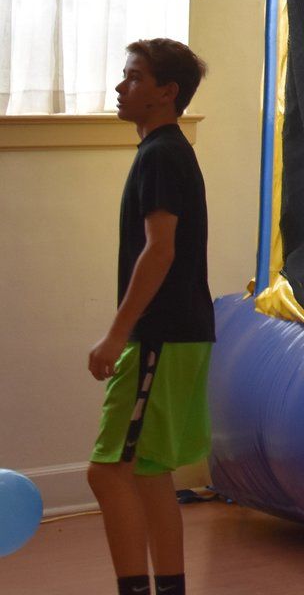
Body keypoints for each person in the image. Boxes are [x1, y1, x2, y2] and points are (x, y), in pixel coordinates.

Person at [88, 39, 213, 595]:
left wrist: (117, 335)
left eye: (134, 77)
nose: (121, 87)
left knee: (107, 471)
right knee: (147, 472)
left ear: (167, 92)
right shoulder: (164, 152)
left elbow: (160, 249)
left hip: (160, 338)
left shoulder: (161, 154)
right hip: (180, 336)